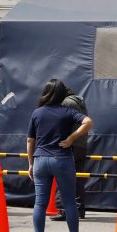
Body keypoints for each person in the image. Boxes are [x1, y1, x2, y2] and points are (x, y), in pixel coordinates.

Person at [27, 78, 93, 232]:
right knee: (70, 202)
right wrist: (72, 137)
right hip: (62, 159)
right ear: (63, 94)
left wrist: (30, 163)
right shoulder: (67, 111)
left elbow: (30, 140)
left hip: (40, 159)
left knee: (40, 203)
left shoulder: (37, 113)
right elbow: (88, 122)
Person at [52, 85, 87, 221]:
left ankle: (63, 210)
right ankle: (79, 209)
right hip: (81, 144)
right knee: (78, 177)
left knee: (63, 176)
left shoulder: (66, 103)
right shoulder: (79, 103)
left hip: (69, 144)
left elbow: (62, 124)